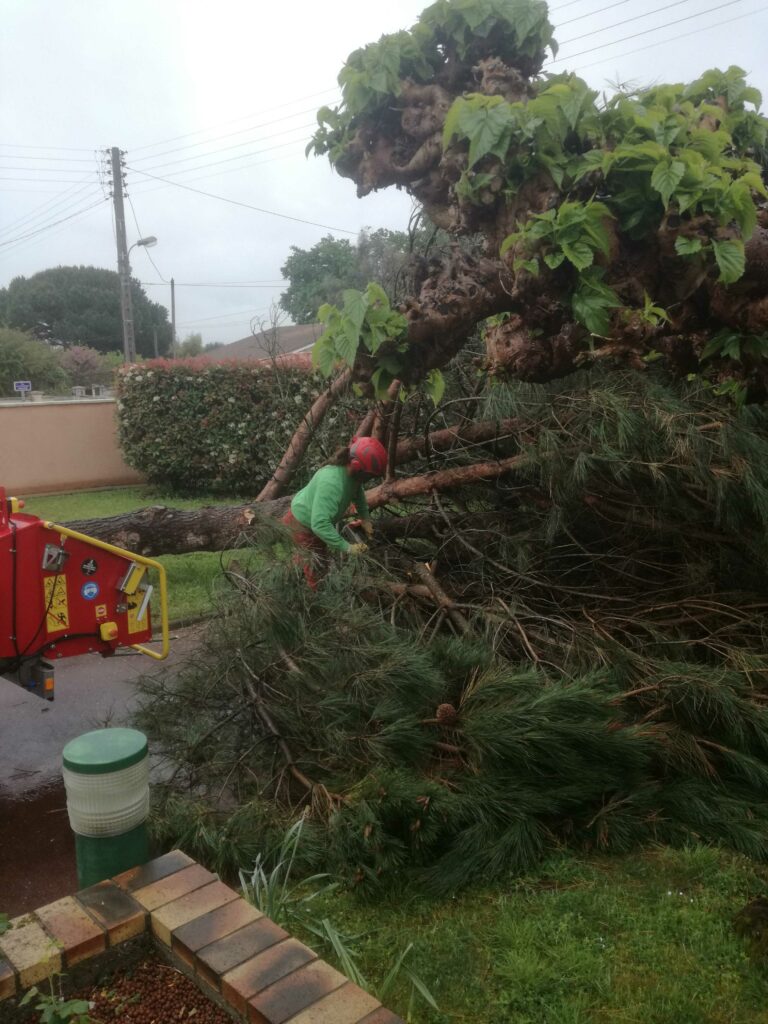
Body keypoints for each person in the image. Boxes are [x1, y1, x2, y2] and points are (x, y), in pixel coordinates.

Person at [281, 436, 387, 588]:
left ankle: (289, 577)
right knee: (316, 566)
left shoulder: (353, 477)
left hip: (312, 519)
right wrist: (347, 547)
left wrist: (365, 519)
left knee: (309, 558)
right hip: (301, 524)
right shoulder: (332, 483)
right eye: (369, 475)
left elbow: (359, 494)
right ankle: (314, 599)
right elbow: (319, 524)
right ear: (357, 466)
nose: (369, 479)